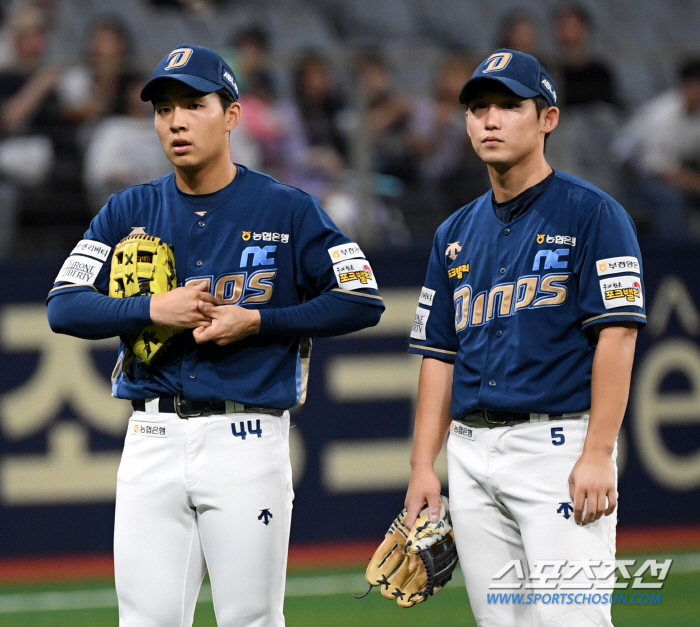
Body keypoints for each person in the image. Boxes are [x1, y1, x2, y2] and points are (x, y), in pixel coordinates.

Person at [46, 44, 384, 626]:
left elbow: (361, 298)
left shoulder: (288, 210)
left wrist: (262, 320)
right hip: (151, 434)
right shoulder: (128, 210)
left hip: (246, 436)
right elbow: (64, 307)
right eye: (163, 108)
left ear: (231, 116)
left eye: (193, 104)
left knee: (250, 619)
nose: (175, 121)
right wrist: (153, 306)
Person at [404, 49, 644, 627]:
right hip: (469, 453)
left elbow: (617, 337)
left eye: (509, 106)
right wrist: (421, 466)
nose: (489, 119)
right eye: (478, 107)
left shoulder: (594, 215)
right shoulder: (453, 233)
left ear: (548, 118)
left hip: (556, 450)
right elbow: (440, 356)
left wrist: (598, 453)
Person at [613, 59, 700, 241]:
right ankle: (674, 261)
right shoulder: (662, 115)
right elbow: (660, 169)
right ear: (684, 86)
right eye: (694, 85)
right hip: (632, 174)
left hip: (677, 167)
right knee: (671, 200)